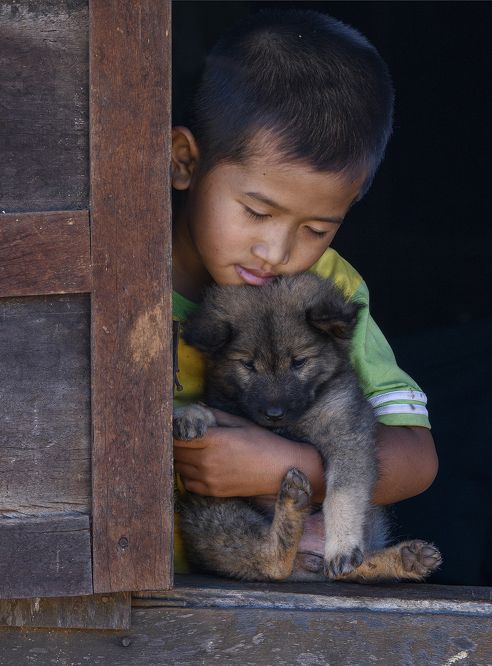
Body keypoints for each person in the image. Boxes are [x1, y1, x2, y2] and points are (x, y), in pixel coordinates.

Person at [171, 9, 438, 574]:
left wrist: (287, 466)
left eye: (317, 228)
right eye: (256, 211)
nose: (277, 251)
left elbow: (417, 458)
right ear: (184, 162)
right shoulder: (114, 280)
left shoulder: (329, 291)